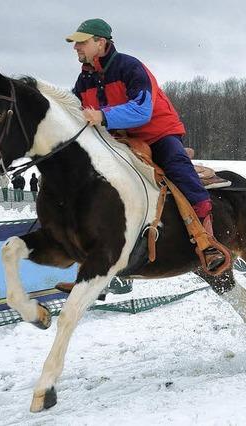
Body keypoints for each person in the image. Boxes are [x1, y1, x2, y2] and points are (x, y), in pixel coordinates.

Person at [66, 18, 224, 272]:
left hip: (157, 132)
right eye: (75, 43)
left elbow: (141, 110)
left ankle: (206, 239)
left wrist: (103, 116)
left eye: (81, 42)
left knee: (175, 165)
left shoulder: (130, 67)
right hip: (119, 139)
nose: (76, 47)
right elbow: (75, 111)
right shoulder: (84, 79)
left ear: (100, 42)